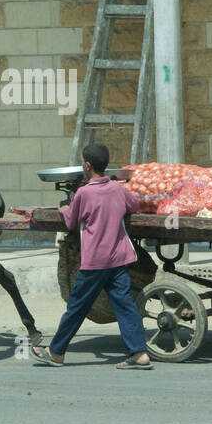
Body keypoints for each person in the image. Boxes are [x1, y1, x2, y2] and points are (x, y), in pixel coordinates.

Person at [32, 143, 153, 370]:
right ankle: (139, 353)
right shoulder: (118, 189)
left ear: (87, 166)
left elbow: (70, 222)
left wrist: (64, 209)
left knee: (77, 307)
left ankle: (56, 352)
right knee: (126, 306)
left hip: (95, 262)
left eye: (82, 162)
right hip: (119, 259)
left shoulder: (84, 193)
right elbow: (133, 205)